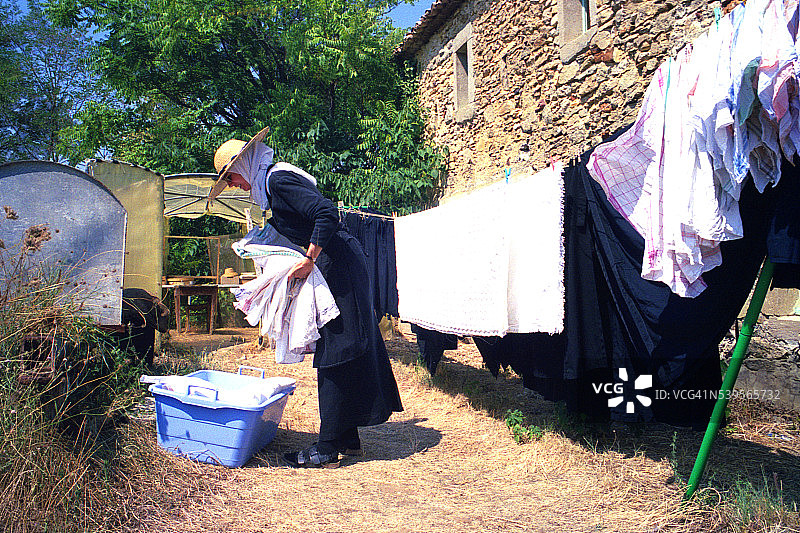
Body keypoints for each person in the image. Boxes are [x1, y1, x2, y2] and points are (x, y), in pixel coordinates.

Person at [209, 127, 403, 468]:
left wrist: (309, 258)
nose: (235, 186)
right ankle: (347, 439)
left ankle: (327, 448)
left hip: (338, 262)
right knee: (343, 348)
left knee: (335, 349)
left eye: (232, 178)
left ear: (244, 165)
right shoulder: (272, 184)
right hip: (336, 261)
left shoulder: (276, 181)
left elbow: (326, 213)